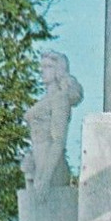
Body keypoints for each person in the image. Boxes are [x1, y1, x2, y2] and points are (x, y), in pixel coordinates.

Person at [21, 51, 84, 200]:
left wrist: (45, 178)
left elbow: (58, 140)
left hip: (52, 167)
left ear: (58, 70)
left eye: (48, 66)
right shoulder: (44, 100)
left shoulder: (60, 99)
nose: (42, 70)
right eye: (42, 66)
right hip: (37, 162)